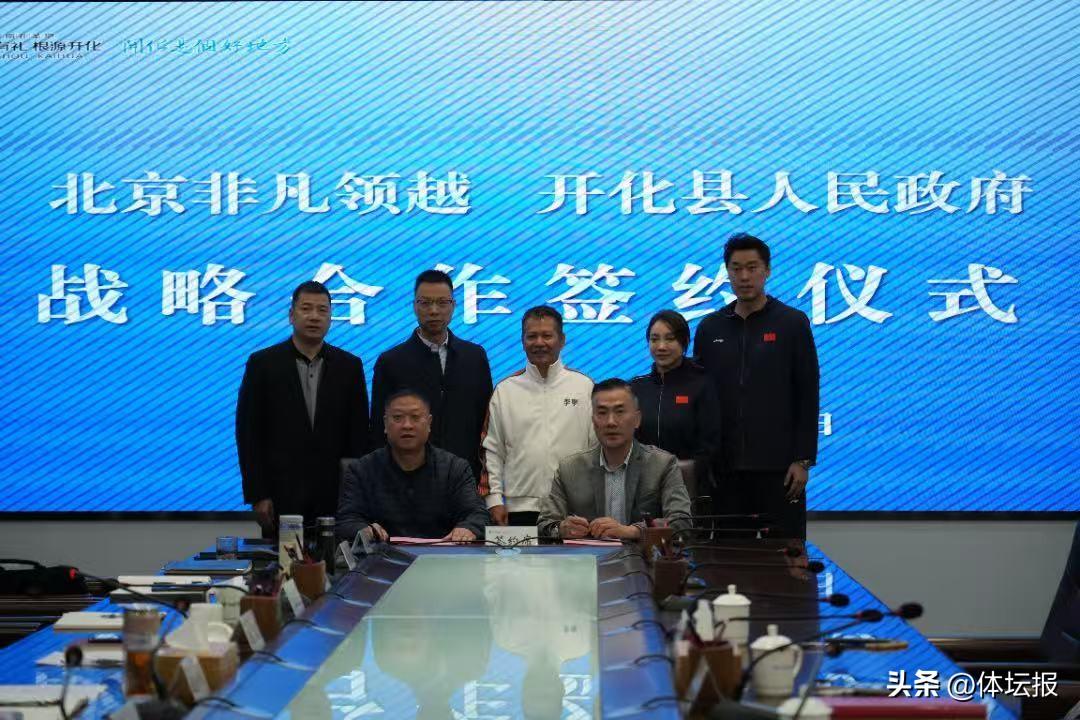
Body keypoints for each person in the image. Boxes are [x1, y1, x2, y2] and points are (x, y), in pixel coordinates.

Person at [693, 233, 820, 539]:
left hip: (779, 468)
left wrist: (802, 460)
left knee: (785, 555)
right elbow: (701, 398)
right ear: (727, 273)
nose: (744, 276)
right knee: (729, 556)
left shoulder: (791, 322)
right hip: (723, 469)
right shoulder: (710, 327)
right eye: (736, 268)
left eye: (752, 268)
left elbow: (807, 393)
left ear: (767, 271)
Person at [236, 280, 369, 535]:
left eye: (322, 310)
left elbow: (359, 436)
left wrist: (357, 497)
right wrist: (258, 494)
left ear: (331, 317)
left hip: (335, 496)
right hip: (280, 495)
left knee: (336, 559)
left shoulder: (350, 366)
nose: (314, 316)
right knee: (283, 560)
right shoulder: (262, 364)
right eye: (306, 308)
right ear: (291, 315)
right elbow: (249, 433)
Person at [370, 269, 493, 481]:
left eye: (442, 303)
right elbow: (378, 430)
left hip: (465, 477)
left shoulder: (474, 357)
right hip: (407, 479)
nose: (434, 311)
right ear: (414, 306)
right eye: (425, 303)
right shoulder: (391, 362)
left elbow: (486, 425)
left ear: (453, 305)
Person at [481, 306, 594, 527]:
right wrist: (494, 500)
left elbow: (597, 449)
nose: (539, 342)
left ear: (562, 340)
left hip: (573, 508)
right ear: (522, 341)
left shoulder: (585, 387)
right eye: (531, 336)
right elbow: (492, 451)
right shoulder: (505, 390)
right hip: (517, 510)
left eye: (547, 336)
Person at [537, 378, 692, 540]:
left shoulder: (662, 464)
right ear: (593, 420)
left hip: (641, 555)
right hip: (588, 555)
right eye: (602, 413)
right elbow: (544, 525)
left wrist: (632, 531)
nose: (611, 422)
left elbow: (682, 523)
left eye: (620, 412)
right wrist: (561, 529)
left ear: (637, 419)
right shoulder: (570, 468)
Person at [337, 389, 489, 544]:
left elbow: (477, 514)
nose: (407, 425)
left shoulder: (454, 468)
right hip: (381, 556)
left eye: (415, 417)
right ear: (385, 424)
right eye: (397, 418)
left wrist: (467, 528)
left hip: (440, 555)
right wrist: (365, 530)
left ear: (429, 423)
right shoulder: (362, 470)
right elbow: (346, 520)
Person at [630, 309, 722, 503]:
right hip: (642, 490)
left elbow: (710, 444)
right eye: (654, 339)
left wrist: (686, 471)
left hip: (689, 490)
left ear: (684, 341)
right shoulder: (637, 387)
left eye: (670, 339)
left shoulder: (702, 385)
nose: (661, 346)